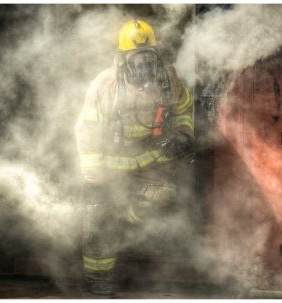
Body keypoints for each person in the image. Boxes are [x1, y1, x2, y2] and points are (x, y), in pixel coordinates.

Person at [74, 19, 195, 296]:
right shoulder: (104, 85)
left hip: (152, 161)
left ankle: (126, 218)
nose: (144, 64)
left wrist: (184, 134)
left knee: (160, 199)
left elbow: (185, 108)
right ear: (122, 59)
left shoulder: (167, 79)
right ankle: (98, 278)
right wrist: (91, 168)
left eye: (148, 56)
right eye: (137, 57)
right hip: (110, 165)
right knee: (100, 219)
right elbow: (86, 127)